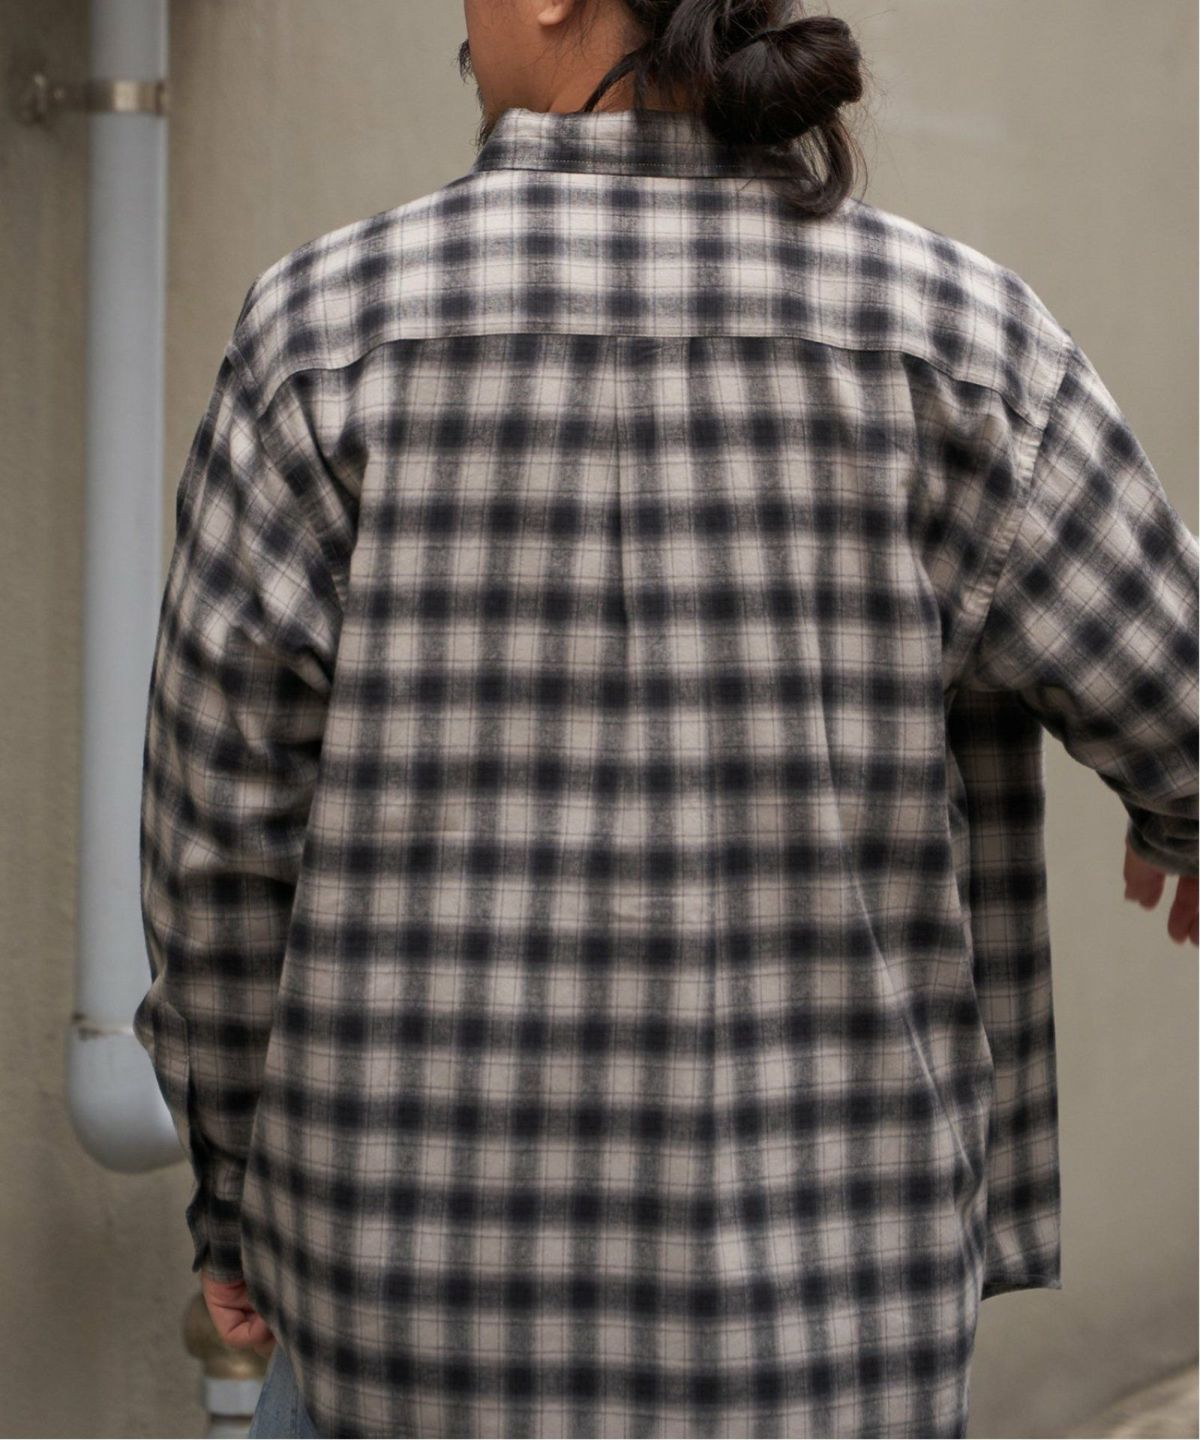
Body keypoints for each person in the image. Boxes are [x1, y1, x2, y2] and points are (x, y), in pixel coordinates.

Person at [132, 1, 1200, 1436]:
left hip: (401, 1345)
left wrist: (230, 1203)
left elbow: (214, 859)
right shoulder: (962, 340)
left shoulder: (321, 339)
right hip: (827, 1350)